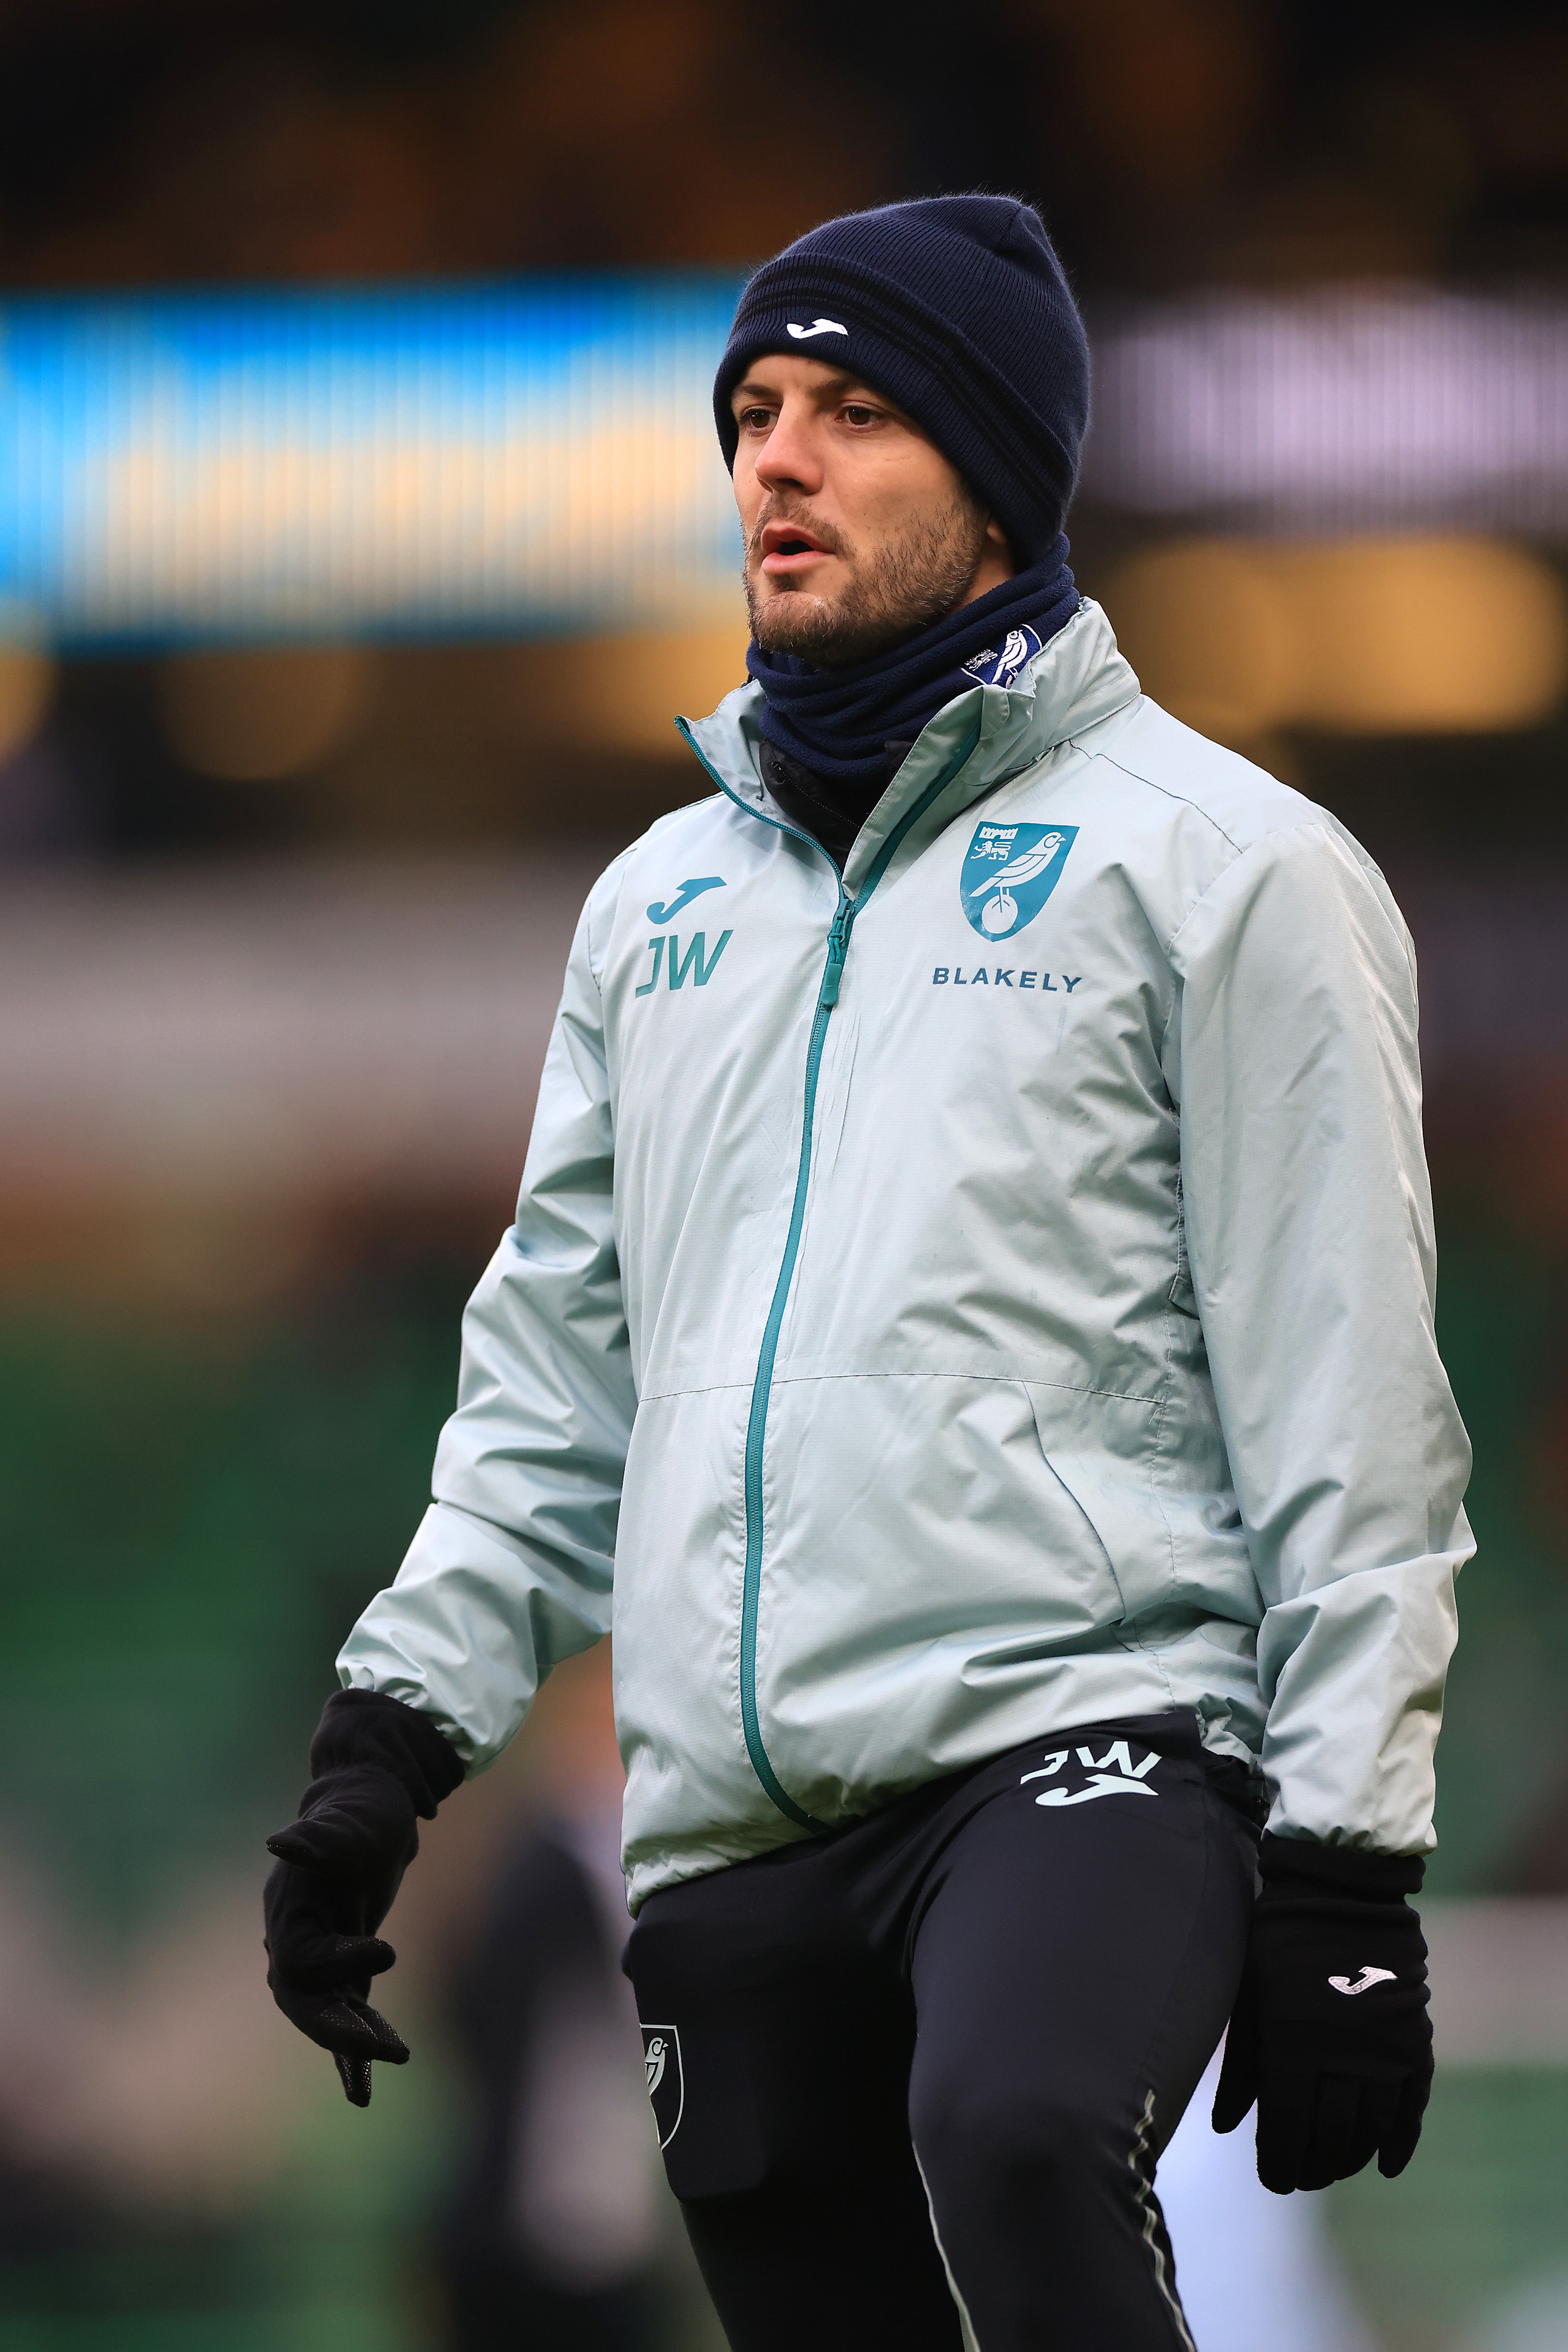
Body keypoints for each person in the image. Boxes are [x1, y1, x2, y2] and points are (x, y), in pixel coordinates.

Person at [263, 196, 1473, 2352]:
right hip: (731, 1804)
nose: (773, 463)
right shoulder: (657, 909)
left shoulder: (1227, 863)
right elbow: (555, 1377)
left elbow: (1350, 1385)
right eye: (750, 412)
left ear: (1000, 476)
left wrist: (1348, 1858)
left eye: (853, 409)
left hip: (1086, 1726)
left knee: (1015, 2125)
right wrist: (387, 1748)